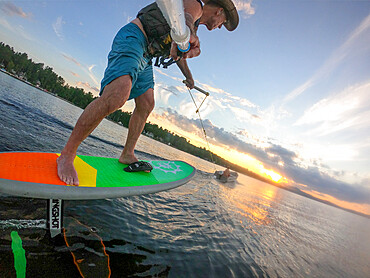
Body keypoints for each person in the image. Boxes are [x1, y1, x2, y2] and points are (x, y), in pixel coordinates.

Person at [57, 0, 239, 185]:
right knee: (116, 96)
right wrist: (188, 33)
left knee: (146, 104)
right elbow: (186, 15)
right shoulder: (195, 4)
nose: (219, 27)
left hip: (147, 55)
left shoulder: (194, 26)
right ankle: (67, 155)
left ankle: (127, 154)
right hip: (135, 38)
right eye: (223, 23)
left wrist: (189, 77)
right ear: (219, 11)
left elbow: (179, 52)